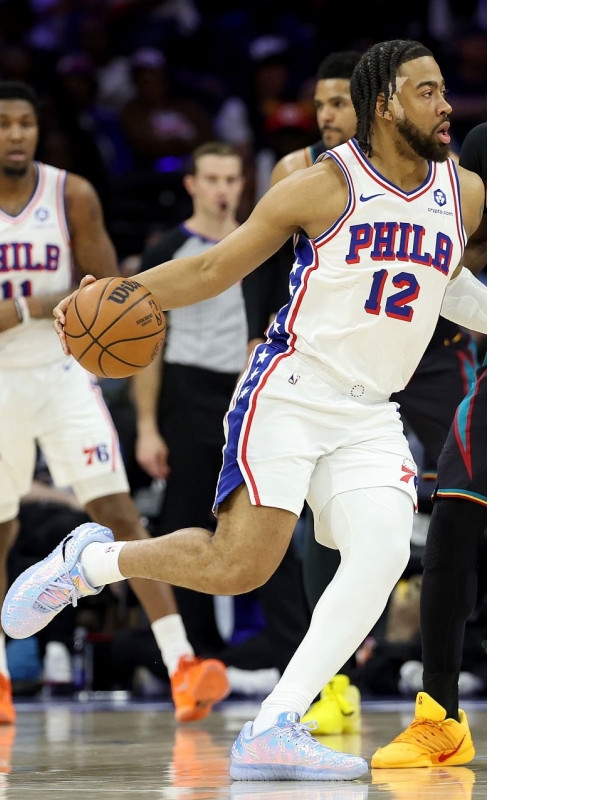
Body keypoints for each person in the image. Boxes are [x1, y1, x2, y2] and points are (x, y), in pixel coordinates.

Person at [3, 40, 487, 782]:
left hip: (369, 412)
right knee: (239, 566)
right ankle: (90, 563)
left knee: (384, 551)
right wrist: (121, 293)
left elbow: (443, 282)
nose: (447, 105)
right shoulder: (323, 186)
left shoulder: (464, 192)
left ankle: (272, 726)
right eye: (428, 92)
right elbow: (212, 266)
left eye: (444, 89)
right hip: (290, 390)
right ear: (386, 104)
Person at [0, 79, 229, 726]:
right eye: (3, 123)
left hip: (63, 373)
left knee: (120, 513)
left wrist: (27, 307)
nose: (17, 133)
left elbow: (111, 290)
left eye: (26, 123)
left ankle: (181, 664)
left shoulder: (72, 195)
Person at [250, 49, 479, 734]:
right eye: (319, 104)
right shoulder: (306, 177)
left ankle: (446, 682)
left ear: (370, 106)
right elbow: (259, 274)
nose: (328, 115)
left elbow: (457, 272)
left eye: (337, 103)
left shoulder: (450, 180)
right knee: (295, 541)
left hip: (428, 358)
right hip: (324, 369)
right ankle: (328, 683)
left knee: (447, 514)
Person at [128, 140, 310, 689]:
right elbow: (147, 349)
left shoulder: (262, 241)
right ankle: (198, 661)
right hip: (185, 391)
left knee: (266, 523)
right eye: (212, 179)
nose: (222, 189)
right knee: (185, 523)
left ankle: (298, 663)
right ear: (191, 184)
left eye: (231, 179)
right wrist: (147, 426)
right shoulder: (169, 247)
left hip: (249, 388)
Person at [371, 121, 487, 769]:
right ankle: (441, 715)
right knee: (450, 538)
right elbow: (448, 270)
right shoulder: (468, 185)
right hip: (488, 388)